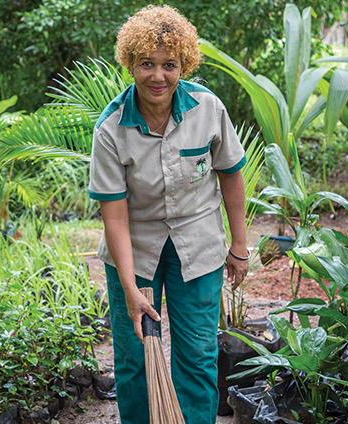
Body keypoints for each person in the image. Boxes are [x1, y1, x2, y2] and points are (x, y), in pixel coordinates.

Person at [87, 4, 249, 424]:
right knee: (136, 356)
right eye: (146, 64)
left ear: (184, 65)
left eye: (169, 65)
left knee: (197, 353)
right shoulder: (111, 128)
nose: (157, 76)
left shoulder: (207, 110)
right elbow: (115, 216)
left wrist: (240, 246)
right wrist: (129, 287)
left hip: (198, 242)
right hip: (135, 248)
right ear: (130, 63)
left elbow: (231, 177)